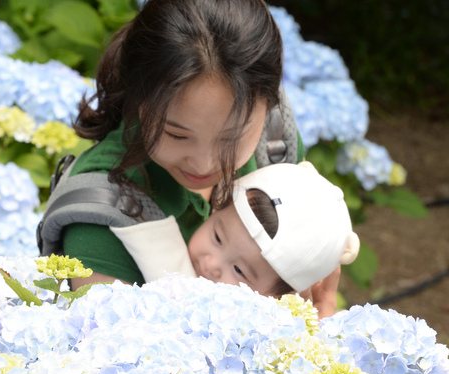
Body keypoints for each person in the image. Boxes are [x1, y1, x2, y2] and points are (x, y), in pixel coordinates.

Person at [43, 0, 344, 311]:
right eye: (177, 134)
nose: (204, 164)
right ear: (138, 99)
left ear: (270, 105)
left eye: (232, 139)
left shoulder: (275, 143)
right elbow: (116, 351)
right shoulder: (100, 219)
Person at [110, 162, 360, 299]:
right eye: (217, 237)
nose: (211, 263)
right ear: (217, 209)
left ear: (279, 298)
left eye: (239, 270)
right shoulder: (157, 246)